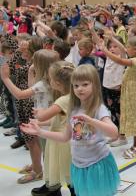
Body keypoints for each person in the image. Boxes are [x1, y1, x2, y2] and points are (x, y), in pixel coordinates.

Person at [21, 65, 120, 196]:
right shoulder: (73, 109)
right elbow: (65, 137)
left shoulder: (98, 108)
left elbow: (114, 133)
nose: (80, 89)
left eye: (85, 84)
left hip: (97, 164)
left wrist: (91, 120)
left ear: (95, 85)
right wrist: (40, 132)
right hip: (78, 165)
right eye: (76, 85)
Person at [1, 48, 59, 184]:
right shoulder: (49, 80)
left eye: (35, 63)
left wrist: (5, 78)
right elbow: (31, 86)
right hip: (45, 122)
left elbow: (20, 94)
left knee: (49, 154)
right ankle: (48, 178)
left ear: (41, 66)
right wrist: (31, 70)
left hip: (46, 124)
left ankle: (50, 181)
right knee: (47, 152)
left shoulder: (43, 83)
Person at [97, 35, 136, 159]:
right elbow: (123, 49)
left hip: (134, 94)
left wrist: (104, 50)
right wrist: (112, 37)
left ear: (135, 49)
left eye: (128, 47)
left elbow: (119, 60)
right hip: (130, 93)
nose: (125, 49)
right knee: (134, 119)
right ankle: (135, 145)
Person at [31, 61, 76, 196]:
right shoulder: (72, 97)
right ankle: (62, 188)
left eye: (50, 78)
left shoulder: (61, 101)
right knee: (67, 168)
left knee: (60, 166)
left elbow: (43, 116)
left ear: (57, 83)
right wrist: (40, 123)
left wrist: (39, 113)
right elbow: (60, 118)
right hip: (66, 137)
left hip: (60, 140)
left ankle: (58, 189)